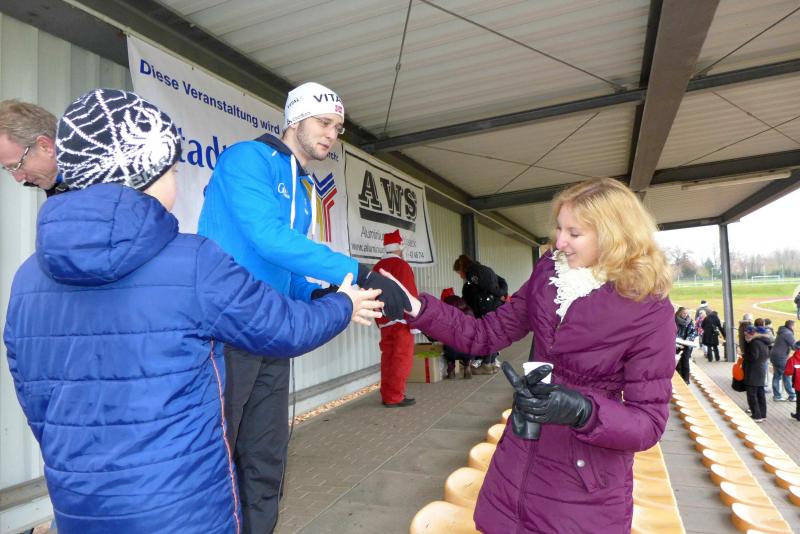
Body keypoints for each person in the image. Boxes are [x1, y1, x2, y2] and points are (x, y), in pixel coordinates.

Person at [3, 89, 383, 534]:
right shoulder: (193, 260)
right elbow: (283, 321)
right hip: (185, 505)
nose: (179, 183)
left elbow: (36, 403)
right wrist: (344, 301)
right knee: (238, 445)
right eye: (174, 169)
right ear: (147, 171)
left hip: (82, 504)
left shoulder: (26, 280)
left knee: (263, 452)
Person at [383, 178, 675, 533]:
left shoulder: (649, 310)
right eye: (559, 229)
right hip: (518, 460)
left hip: (582, 488)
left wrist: (583, 411)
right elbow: (486, 334)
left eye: (574, 233)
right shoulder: (548, 274)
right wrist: (416, 307)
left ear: (613, 236)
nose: (560, 242)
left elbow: (648, 424)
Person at [197, 81, 408, 533]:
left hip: (272, 332)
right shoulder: (246, 159)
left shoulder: (302, 187)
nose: (332, 134)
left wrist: (316, 296)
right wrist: (358, 272)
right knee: (217, 456)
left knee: (266, 456)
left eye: (338, 128)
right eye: (324, 123)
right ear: (295, 119)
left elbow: (287, 263)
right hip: (226, 332)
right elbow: (267, 238)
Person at [373, 230, 419, 407]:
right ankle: (395, 396)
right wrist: (415, 322)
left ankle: (387, 394)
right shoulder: (402, 266)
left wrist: (379, 318)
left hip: (384, 321)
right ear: (399, 247)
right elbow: (409, 294)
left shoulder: (377, 267)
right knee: (401, 359)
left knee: (388, 358)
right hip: (401, 320)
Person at [452, 254, 508, 374]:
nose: (460, 276)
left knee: (487, 335)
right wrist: (503, 293)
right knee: (493, 334)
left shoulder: (473, 273)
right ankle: (491, 363)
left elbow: (489, 289)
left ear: (462, 268)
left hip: (486, 307)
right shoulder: (484, 269)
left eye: (459, 273)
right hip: (495, 306)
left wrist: (499, 293)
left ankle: (486, 364)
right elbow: (502, 281)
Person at [0, 99, 67, 195]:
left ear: (45, 146)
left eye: (17, 166)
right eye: (9, 169)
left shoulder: (83, 194)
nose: (18, 179)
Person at [439, 288, 476, 379]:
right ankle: (467, 366)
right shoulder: (466, 306)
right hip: (469, 348)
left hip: (453, 348)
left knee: (447, 343)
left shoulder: (443, 309)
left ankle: (451, 369)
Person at [743, 325, 772, 422]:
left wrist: (744, 356)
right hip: (761, 370)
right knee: (760, 393)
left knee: (752, 394)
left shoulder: (754, 342)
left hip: (753, 371)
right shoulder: (764, 342)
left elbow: (753, 357)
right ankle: (762, 414)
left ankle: (756, 415)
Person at [769, 320, 796, 402]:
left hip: (774, 355)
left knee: (777, 375)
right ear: (791, 326)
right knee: (786, 375)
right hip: (780, 357)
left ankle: (777, 396)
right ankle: (792, 396)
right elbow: (794, 346)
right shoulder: (788, 333)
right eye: (794, 326)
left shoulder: (782, 331)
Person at [675, 307, 697, 385]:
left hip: (686, 345)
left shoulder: (690, 321)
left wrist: (689, 338)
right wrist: (677, 340)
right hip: (676, 346)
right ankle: (679, 381)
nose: (685, 315)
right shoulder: (674, 321)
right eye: (684, 313)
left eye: (687, 313)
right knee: (678, 364)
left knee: (686, 363)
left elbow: (694, 332)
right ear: (679, 313)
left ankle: (686, 380)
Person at [784, 341, 800, 421]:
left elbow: (788, 372)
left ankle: (798, 415)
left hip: (798, 384)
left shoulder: (792, 359)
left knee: (799, 401)